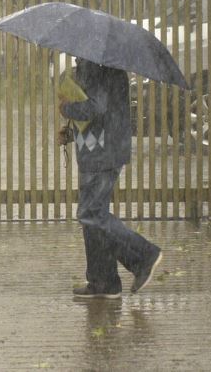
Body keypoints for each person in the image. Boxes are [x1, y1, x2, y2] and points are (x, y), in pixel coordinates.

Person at [57, 57, 162, 299]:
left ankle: (143, 256)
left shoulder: (93, 67)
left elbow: (95, 108)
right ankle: (103, 282)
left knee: (91, 214)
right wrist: (71, 132)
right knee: (93, 217)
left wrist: (66, 108)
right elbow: (102, 113)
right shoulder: (106, 66)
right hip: (103, 149)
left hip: (101, 154)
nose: (73, 55)